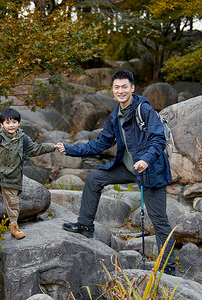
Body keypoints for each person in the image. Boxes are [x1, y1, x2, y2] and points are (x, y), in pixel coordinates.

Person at [56, 70, 176, 275]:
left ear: (132, 88)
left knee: (159, 220)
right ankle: (85, 226)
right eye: (116, 87)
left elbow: (158, 139)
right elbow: (101, 143)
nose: (120, 91)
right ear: (113, 90)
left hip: (151, 171)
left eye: (124, 87)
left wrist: (146, 160)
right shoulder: (115, 116)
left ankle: (169, 268)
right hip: (128, 169)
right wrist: (70, 149)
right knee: (94, 178)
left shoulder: (144, 109)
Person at [0, 108, 61, 239]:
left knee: (13, 204)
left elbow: (36, 149)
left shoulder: (24, 140)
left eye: (14, 122)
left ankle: (14, 228)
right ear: (2, 124)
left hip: (12, 176)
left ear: (18, 123)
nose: (11, 125)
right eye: (7, 122)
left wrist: (53, 146)